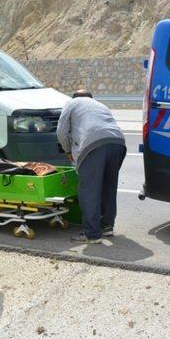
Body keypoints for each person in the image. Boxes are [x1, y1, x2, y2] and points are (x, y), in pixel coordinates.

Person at [56, 90, 126, 244]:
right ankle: (107, 226)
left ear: (75, 97)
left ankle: (92, 234)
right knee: (108, 186)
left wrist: (68, 150)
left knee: (89, 190)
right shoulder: (100, 105)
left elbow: (61, 132)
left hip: (93, 145)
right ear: (91, 98)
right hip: (118, 143)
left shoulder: (71, 103)